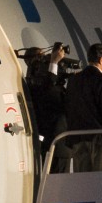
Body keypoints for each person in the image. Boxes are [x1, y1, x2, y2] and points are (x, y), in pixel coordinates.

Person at [64, 43, 102, 172]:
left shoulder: (73, 80)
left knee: (83, 184)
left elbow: (69, 108)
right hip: (99, 140)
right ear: (101, 59)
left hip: (78, 139)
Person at [23, 44, 69, 172]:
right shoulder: (33, 85)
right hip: (53, 143)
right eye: (39, 58)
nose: (43, 60)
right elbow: (48, 90)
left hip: (61, 145)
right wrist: (53, 62)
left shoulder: (57, 87)